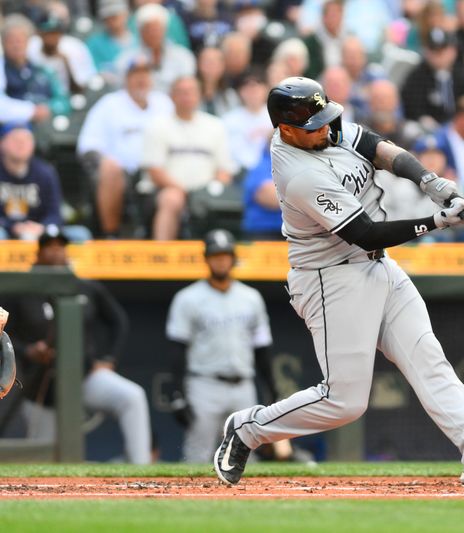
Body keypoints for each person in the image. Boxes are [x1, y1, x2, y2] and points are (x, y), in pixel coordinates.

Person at [213, 77, 464, 487]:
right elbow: (365, 232)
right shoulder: (299, 174)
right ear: (286, 129)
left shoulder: (321, 127)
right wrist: (434, 221)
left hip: (379, 268)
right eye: (313, 126)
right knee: (343, 403)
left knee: (428, 357)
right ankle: (248, 429)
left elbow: (376, 146)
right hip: (331, 278)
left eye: (325, 120)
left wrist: (427, 179)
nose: (325, 130)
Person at [5, 225, 151, 463]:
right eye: (49, 247)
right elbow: (5, 331)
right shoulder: (22, 288)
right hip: (38, 387)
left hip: (83, 378)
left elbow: (118, 321)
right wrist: (27, 351)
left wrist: (108, 358)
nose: (56, 253)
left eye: (60, 247)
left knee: (132, 396)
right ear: (38, 254)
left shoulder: (85, 286)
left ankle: (142, 465)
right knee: (42, 463)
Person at [167, 229, 291, 462]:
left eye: (225, 255)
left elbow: (262, 348)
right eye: (216, 255)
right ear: (206, 259)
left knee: (247, 457)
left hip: (243, 386)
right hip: (204, 385)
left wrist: (272, 389)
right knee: (197, 455)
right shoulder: (187, 298)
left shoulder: (251, 297)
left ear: (233, 258)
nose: (221, 260)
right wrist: (177, 393)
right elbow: (177, 349)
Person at [77, 57, 174, 238]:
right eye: (136, 74)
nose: (141, 79)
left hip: (157, 171)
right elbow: (88, 146)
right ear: (126, 78)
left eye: (145, 74)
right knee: (110, 169)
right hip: (122, 173)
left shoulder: (164, 103)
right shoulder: (109, 104)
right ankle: (110, 234)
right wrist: (107, 162)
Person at [140, 76, 235, 240]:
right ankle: (162, 254)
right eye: (181, 92)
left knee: (219, 201)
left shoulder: (215, 126)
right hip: (165, 190)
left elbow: (225, 170)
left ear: (199, 95)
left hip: (206, 192)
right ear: (172, 96)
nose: (186, 97)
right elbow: (155, 170)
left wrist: (209, 190)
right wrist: (186, 193)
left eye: (191, 92)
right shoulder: (158, 125)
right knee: (172, 198)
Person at [0, 125, 91, 242]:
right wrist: (12, 226)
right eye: (15, 140)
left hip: (40, 231)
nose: (21, 145)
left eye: (26, 140)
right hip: (5, 230)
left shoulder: (45, 172)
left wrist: (42, 227)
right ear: (2, 143)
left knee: (81, 234)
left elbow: (55, 214)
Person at [0, 14, 70, 125]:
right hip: (12, 126)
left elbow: (64, 102)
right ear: (3, 43)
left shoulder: (44, 71)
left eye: (20, 40)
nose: (16, 45)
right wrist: (31, 111)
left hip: (48, 126)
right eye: (11, 41)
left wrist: (49, 108)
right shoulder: (2, 70)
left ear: (28, 42)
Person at [401, 28, 464, 127]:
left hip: (459, 125)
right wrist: (423, 118)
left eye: (442, 50)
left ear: (453, 51)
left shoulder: (461, 74)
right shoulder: (416, 76)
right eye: (433, 50)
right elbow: (412, 107)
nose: (438, 55)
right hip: (428, 128)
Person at [116, 3, 196, 93]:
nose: (153, 34)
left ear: (165, 30)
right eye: (148, 30)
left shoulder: (183, 56)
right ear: (140, 32)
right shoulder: (126, 59)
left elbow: (187, 90)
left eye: (156, 29)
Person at [27, 7, 97, 94]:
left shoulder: (75, 47)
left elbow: (84, 87)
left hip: (70, 99)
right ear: (40, 33)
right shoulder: (30, 47)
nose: (51, 38)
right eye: (48, 33)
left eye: (55, 33)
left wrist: (67, 64)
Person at [222, 68, 272, 174]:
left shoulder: (279, 117)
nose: (253, 92)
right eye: (247, 88)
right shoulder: (228, 120)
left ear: (266, 89)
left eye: (257, 87)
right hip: (239, 173)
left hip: (272, 171)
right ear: (240, 92)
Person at [86, 0, 138, 83]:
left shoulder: (139, 38)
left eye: (115, 16)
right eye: (108, 17)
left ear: (126, 14)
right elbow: (91, 72)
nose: (112, 21)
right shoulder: (94, 44)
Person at [302, 0, 345, 80]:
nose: (335, 19)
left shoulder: (347, 39)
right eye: (332, 15)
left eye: (338, 14)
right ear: (323, 17)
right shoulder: (311, 42)